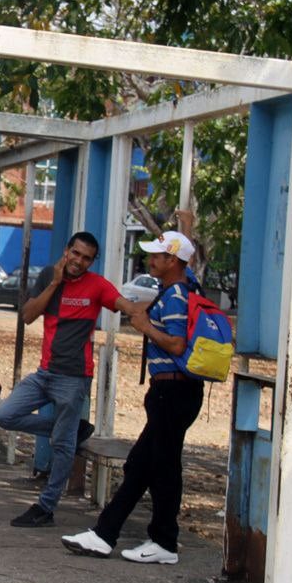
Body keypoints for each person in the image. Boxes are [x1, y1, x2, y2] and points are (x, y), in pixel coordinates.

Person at [63, 231, 205, 565]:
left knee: (159, 467)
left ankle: (158, 541)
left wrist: (144, 326)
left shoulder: (175, 296)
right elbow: (192, 264)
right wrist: (187, 226)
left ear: (173, 261)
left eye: (157, 255)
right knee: (144, 465)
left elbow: (177, 344)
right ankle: (110, 535)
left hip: (173, 390)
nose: (150, 260)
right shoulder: (186, 286)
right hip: (172, 392)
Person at [0, 232, 143, 528]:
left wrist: (143, 315)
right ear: (67, 250)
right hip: (44, 373)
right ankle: (70, 430)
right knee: (4, 415)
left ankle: (46, 508)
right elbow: (27, 316)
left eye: (86, 258)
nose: (79, 261)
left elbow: (126, 306)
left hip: (73, 378)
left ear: (92, 261)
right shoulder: (50, 275)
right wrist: (55, 283)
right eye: (75, 253)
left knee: (62, 445)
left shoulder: (97, 285)